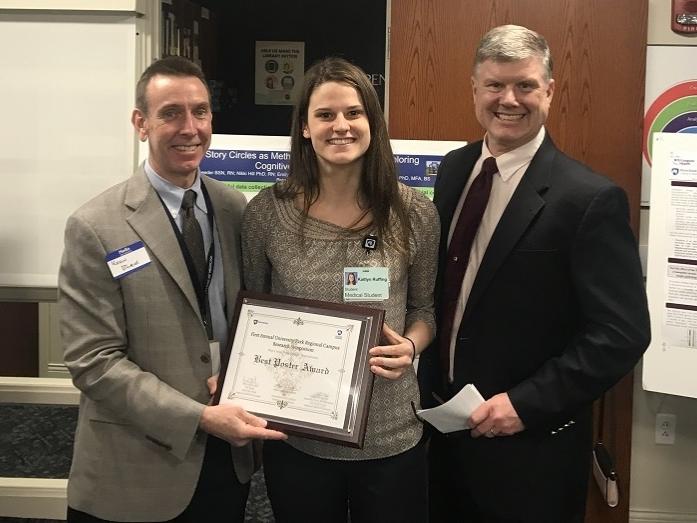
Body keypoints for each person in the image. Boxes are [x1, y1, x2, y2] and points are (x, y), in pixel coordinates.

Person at [418, 25, 651, 522]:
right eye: (494, 85)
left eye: (524, 85)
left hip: (530, 454)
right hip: (443, 439)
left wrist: (525, 404)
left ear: (549, 90)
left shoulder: (588, 200)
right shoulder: (455, 169)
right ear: (474, 90)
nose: (509, 99)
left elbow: (621, 334)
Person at [58, 56, 286, 523]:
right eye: (171, 113)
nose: (190, 128)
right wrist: (199, 417)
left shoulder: (232, 208)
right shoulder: (95, 226)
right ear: (140, 123)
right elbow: (93, 361)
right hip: (135, 469)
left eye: (200, 111)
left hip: (227, 458)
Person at [242, 57, 439, 523]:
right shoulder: (267, 214)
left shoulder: (414, 213)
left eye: (354, 113)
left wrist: (411, 346)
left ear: (372, 122)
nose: (341, 126)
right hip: (299, 436)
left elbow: (425, 310)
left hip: (392, 432)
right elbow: (252, 314)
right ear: (305, 128)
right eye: (325, 115)